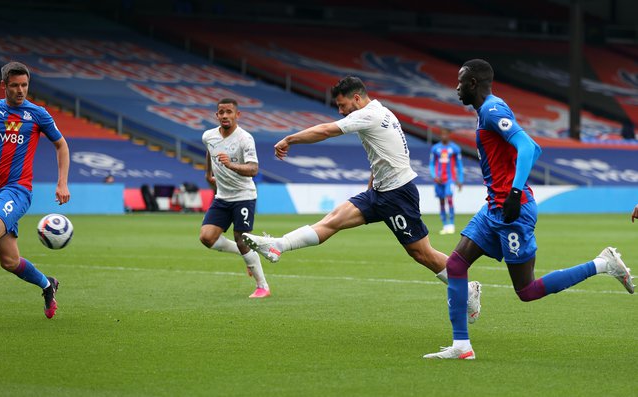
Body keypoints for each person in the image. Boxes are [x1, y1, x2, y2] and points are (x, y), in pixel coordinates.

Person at [423, 59, 635, 360]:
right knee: (456, 265)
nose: (456, 88)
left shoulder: (492, 110)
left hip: (513, 210)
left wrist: (514, 192)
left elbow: (529, 146)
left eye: (460, 82)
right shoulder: (487, 112)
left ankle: (603, 264)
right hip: (494, 208)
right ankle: (461, 346)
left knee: (527, 290)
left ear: (472, 83)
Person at [242, 76, 482, 319]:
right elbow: (382, 155)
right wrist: (371, 187)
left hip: (398, 194)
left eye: (342, 105)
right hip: (379, 192)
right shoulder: (382, 112)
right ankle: (278, 245)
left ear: (357, 98)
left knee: (422, 253)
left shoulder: (369, 114)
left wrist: (289, 139)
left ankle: (467, 289)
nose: (341, 110)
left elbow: (326, 130)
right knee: (333, 220)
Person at [0, 61, 70, 318]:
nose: (21, 90)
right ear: (3, 85)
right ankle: (47, 284)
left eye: (25, 85)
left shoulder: (38, 114)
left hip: (17, 190)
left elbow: (61, 145)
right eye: (15, 85)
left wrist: (62, 182)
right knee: (9, 261)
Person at [198, 98, 270, 298]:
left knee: (241, 238)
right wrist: (207, 173)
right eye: (221, 112)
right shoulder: (209, 136)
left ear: (237, 115)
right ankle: (246, 252)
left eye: (229, 112)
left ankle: (263, 286)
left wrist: (231, 165)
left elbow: (253, 169)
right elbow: (210, 151)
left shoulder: (245, 139)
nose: (224, 116)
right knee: (206, 237)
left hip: (243, 196)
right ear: (216, 115)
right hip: (222, 196)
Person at [429, 128, 464, 234]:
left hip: (450, 179)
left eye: (446, 134)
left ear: (449, 135)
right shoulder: (435, 148)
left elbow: (459, 165)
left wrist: (460, 179)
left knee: (449, 198)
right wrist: (434, 176)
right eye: (442, 134)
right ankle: (445, 225)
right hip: (439, 179)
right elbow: (431, 164)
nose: (444, 136)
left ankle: (451, 224)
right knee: (441, 201)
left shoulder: (455, 148)